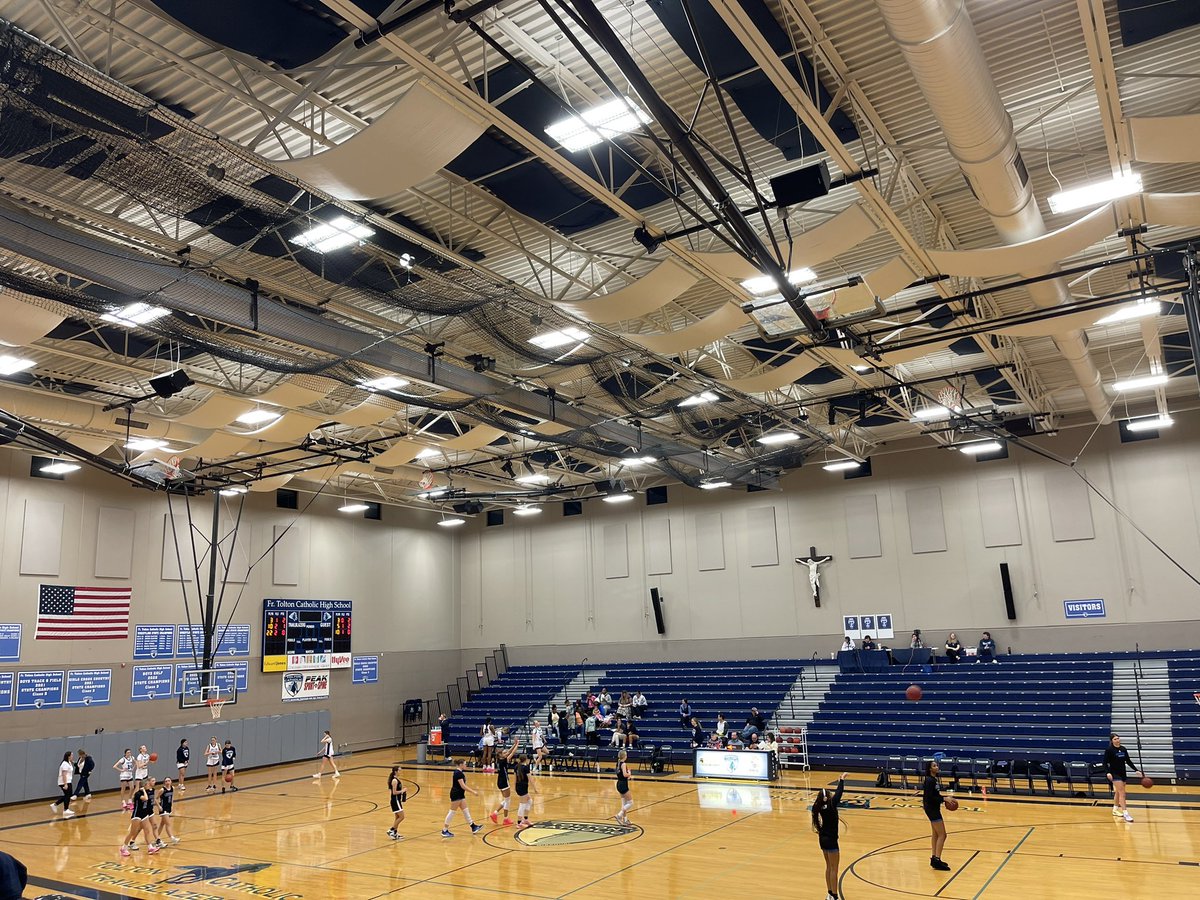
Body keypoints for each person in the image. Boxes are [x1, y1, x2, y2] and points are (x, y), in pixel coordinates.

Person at [812, 774, 849, 900]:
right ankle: (834, 895)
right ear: (828, 797)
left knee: (828, 867)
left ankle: (829, 893)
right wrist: (842, 780)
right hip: (832, 841)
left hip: (822, 839)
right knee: (834, 869)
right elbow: (839, 792)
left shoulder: (818, 807)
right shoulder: (832, 805)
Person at [1105, 733, 1142, 822]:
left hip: (1122, 773)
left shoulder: (1123, 749)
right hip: (1115, 774)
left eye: (1118, 738)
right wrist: (1108, 772)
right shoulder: (1109, 750)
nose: (1117, 740)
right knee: (1122, 793)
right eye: (1115, 739)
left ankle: (1115, 809)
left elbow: (1128, 761)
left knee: (1118, 792)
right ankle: (1126, 813)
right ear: (1111, 741)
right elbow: (1105, 763)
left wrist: (1136, 770)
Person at [441, 759, 483, 837]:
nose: (466, 765)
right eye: (465, 764)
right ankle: (444, 830)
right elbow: (463, 786)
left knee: (466, 811)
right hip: (456, 795)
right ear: (460, 765)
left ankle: (473, 826)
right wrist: (473, 792)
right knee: (452, 812)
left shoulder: (459, 772)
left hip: (460, 794)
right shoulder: (458, 773)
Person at [120, 777, 159, 856]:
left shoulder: (147, 791)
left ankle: (150, 847)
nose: (149, 785)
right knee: (132, 832)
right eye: (147, 784)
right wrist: (143, 790)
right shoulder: (138, 794)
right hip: (137, 815)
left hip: (144, 814)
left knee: (147, 831)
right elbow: (145, 798)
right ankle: (123, 848)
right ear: (144, 785)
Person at [923, 760, 951, 870]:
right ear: (930, 769)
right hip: (931, 809)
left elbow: (935, 795)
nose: (937, 767)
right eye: (934, 766)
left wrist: (944, 798)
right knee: (943, 835)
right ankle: (937, 860)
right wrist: (944, 799)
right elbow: (930, 797)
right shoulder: (929, 781)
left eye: (937, 765)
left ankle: (934, 858)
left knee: (935, 834)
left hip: (932, 808)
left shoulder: (933, 779)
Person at [490, 739, 518, 825]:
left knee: (506, 800)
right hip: (504, 781)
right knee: (508, 800)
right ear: (501, 755)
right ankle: (505, 819)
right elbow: (512, 753)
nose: (505, 753)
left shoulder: (499, 760)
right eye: (503, 753)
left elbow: (509, 751)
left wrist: (514, 744)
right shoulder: (503, 760)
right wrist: (517, 744)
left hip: (499, 781)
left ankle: (495, 813)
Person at [153, 777, 179, 846]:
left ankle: (156, 839)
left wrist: (172, 806)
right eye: (166, 781)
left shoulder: (173, 788)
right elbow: (155, 799)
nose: (167, 782)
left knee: (162, 824)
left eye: (169, 781)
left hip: (168, 808)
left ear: (171, 782)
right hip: (163, 809)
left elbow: (172, 797)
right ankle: (172, 838)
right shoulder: (162, 790)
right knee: (168, 824)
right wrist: (159, 806)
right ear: (164, 782)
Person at [513, 753, 537, 829]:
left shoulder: (516, 766)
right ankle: (519, 823)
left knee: (529, 801)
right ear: (526, 759)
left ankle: (525, 819)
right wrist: (535, 788)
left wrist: (515, 787)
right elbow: (531, 779)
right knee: (522, 804)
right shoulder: (526, 768)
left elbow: (514, 779)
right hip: (522, 787)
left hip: (519, 787)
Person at [50, 751, 75, 819]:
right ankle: (65, 810)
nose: (73, 756)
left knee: (68, 795)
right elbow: (64, 774)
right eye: (72, 755)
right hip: (64, 782)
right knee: (68, 795)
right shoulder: (65, 764)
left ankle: (55, 805)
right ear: (68, 756)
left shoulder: (69, 763)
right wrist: (65, 784)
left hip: (68, 781)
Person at [614, 749, 633, 826]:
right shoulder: (623, 764)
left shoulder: (618, 763)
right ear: (624, 756)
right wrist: (629, 773)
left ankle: (625, 820)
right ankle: (619, 815)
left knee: (624, 803)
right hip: (623, 785)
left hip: (619, 783)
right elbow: (625, 774)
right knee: (631, 803)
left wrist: (627, 775)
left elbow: (621, 774)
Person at [387, 765, 405, 840]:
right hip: (395, 800)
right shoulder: (394, 780)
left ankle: (395, 833)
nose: (401, 772)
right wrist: (402, 791)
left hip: (397, 800)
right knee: (402, 817)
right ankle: (391, 830)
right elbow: (394, 792)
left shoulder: (396, 779)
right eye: (399, 770)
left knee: (397, 817)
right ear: (396, 771)